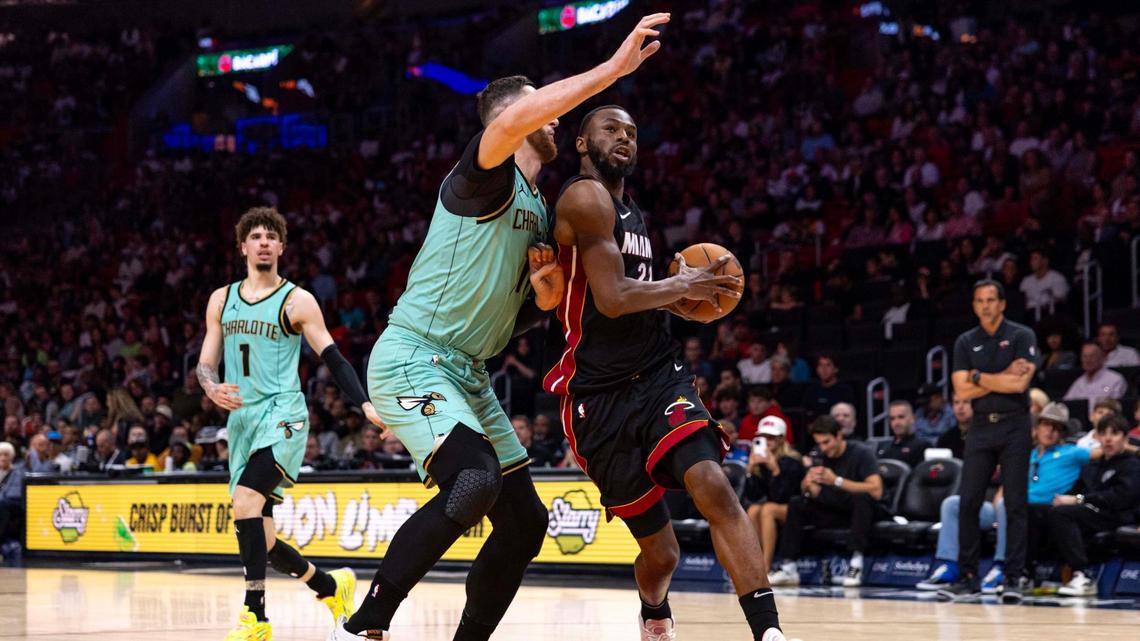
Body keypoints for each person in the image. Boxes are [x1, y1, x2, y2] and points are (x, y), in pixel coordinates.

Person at [337, 18, 670, 641]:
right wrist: (612, 70)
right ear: (510, 118)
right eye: (541, 107)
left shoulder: (540, 211)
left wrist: (543, 301)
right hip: (414, 354)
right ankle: (362, 626)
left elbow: (508, 314)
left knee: (524, 524)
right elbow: (521, 118)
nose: (556, 118)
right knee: (473, 482)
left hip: (468, 371)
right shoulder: (482, 172)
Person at [543, 102, 784, 641]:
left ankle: (769, 631)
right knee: (663, 554)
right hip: (597, 395)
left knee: (714, 484)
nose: (623, 137)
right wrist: (682, 286)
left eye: (631, 132)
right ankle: (654, 610)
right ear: (582, 144)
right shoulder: (585, 198)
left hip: (658, 375)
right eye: (610, 129)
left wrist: (679, 299)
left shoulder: (633, 214)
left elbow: (640, 296)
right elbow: (611, 298)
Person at [198, 207, 380, 640]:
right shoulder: (221, 299)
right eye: (255, 237)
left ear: (281, 247)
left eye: (270, 237)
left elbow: (333, 357)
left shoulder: (298, 301)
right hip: (243, 422)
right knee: (262, 540)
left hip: (283, 415)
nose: (263, 243)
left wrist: (364, 403)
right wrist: (209, 386)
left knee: (244, 501)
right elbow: (206, 362)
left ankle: (255, 618)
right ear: (243, 247)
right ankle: (330, 586)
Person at [947, 279, 1037, 602]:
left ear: (1002, 304)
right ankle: (968, 577)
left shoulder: (1021, 335)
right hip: (981, 426)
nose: (985, 306)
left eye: (990, 300)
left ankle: (1013, 577)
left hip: (1015, 425)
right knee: (968, 501)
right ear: (974, 306)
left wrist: (977, 376)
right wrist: (1000, 376)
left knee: (1014, 503)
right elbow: (961, 390)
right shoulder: (965, 341)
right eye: (979, 301)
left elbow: (1019, 385)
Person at [768, 416, 884, 588]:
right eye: (819, 443)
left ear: (839, 435)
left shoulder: (861, 453)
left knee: (862, 498)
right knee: (797, 503)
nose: (823, 447)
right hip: (834, 508)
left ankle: (856, 563)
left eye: (826, 442)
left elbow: (876, 490)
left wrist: (836, 480)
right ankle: (788, 567)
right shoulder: (819, 455)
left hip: (862, 511)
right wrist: (807, 484)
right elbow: (807, 489)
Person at [1046, 414, 1140, 596]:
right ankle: (1028, 573)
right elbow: (1078, 489)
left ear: (1125, 439)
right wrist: (1063, 498)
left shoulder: (1132, 466)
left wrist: (1080, 500)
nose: (1108, 439)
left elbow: (1120, 499)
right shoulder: (1093, 466)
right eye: (1103, 433)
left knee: (1062, 514)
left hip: (1115, 515)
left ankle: (1083, 575)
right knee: (1041, 511)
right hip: (1091, 511)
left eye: (1114, 433)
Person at [744, 417, 805, 577]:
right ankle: (755, 565)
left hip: (797, 509)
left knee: (768, 509)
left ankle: (765, 568)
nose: (767, 441)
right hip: (773, 507)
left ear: (781, 439)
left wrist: (776, 471)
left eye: (770, 437)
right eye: (763, 437)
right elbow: (752, 496)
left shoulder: (792, 461)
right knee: (754, 510)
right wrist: (750, 471)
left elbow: (784, 497)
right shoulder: (761, 462)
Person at [801, 353, 856, 420]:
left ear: (836, 369)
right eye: (820, 365)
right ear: (817, 369)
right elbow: (805, 413)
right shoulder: (812, 390)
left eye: (828, 365)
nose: (824, 369)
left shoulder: (845, 390)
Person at [876, 401, 929, 467]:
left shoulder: (923, 446)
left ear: (912, 418)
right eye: (892, 418)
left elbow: (930, 472)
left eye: (901, 417)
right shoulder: (882, 446)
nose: (896, 422)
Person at [1018, 249, 1069, 313]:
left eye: (1035, 258)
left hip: (1049, 313)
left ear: (1045, 261)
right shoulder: (1026, 281)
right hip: (1029, 314)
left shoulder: (1057, 278)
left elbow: (1061, 300)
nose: (1031, 262)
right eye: (1031, 259)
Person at [935, 395, 974, 459]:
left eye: (966, 402)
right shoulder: (945, 439)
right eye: (956, 402)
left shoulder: (983, 437)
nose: (960, 407)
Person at [0, 442, 24, 544]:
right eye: (0, 455)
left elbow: (14, 494)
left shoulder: (17, 473)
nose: (3, 458)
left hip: (12, 505)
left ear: (11, 457)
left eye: (6, 455)